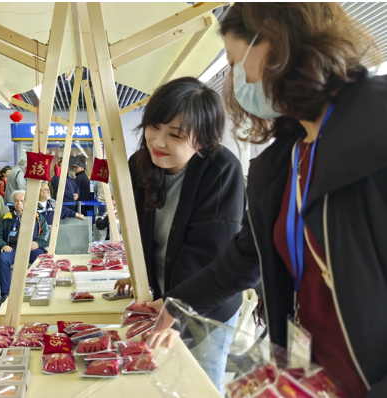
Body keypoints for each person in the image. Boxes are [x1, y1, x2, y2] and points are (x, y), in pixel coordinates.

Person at [147, 4, 387, 397]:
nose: (237, 78)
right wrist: (175, 305)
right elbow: (245, 258)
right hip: (310, 374)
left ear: (276, 45)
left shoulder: (376, 129)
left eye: (236, 61)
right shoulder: (286, 159)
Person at [114, 76, 245, 394]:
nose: (157, 142)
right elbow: (140, 230)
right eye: (154, 127)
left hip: (207, 306)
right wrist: (139, 274)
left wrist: (178, 311)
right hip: (162, 297)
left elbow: (209, 253)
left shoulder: (221, 170)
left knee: (200, 384)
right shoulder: (138, 165)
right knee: (162, 380)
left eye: (174, 135)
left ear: (202, 140)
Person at [0, 190, 50, 309]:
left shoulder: (37, 217)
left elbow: (46, 233)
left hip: (31, 248)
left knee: (41, 260)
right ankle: (5, 296)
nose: (19, 203)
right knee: (2, 259)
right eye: (16, 201)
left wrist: (38, 243)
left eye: (22, 201)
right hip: (12, 248)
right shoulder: (7, 218)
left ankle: (39, 293)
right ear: (13, 202)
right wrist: (3, 245)